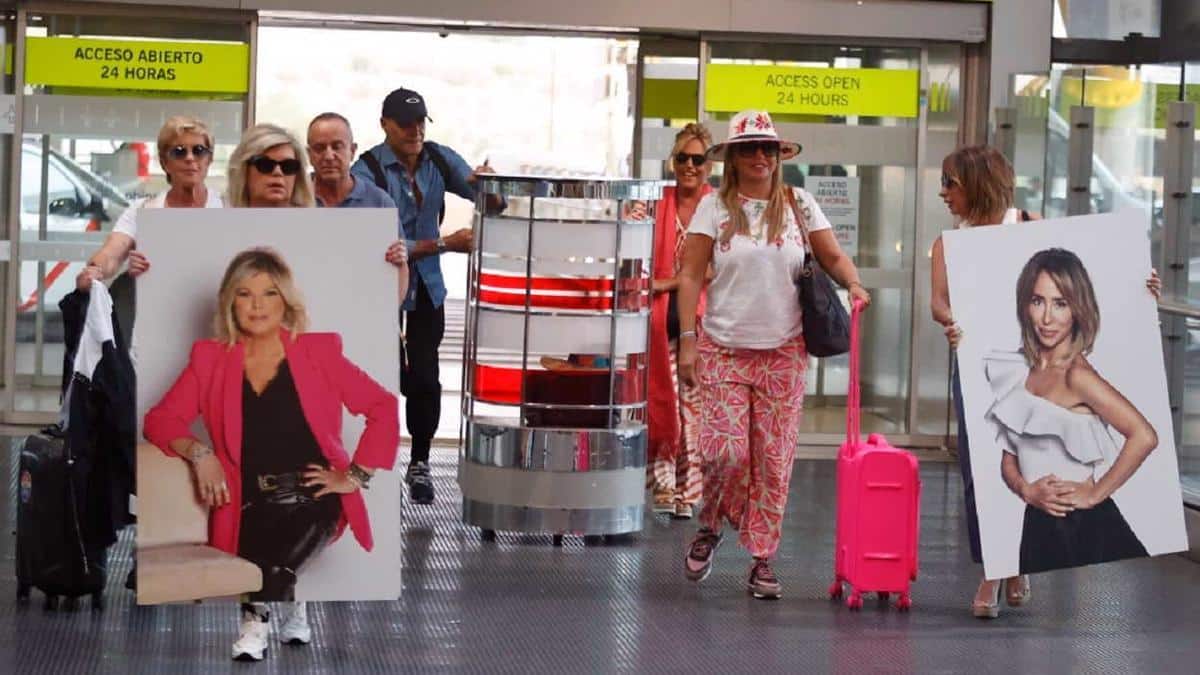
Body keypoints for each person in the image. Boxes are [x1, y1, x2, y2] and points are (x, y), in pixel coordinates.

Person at [929, 144, 1161, 619]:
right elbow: (938, 300)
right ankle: (1003, 564)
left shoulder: (1031, 226)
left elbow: (1085, 279)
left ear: (976, 183)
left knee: (1035, 461)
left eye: (950, 182)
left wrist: (1140, 286)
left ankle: (1007, 568)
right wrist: (951, 321)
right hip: (982, 366)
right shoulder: (948, 242)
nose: (943, 193)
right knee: (986, 470)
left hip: (1036, 366)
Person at [143, 247, 399, 662]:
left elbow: (383, 407)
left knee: (272, 568)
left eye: (269, 293)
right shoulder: (209, 359)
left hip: (314, 497)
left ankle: (255, 622)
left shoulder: (319, 353)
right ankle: (292, 606)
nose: (257, 305)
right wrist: (198, 451)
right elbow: (160, 419)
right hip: (246, 501)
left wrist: (354, 476)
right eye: (245, 294)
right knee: (265, 550)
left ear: (286, 302)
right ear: (230, 302)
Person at [676, 110, 870, 599]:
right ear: (734, 158)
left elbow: (831, 255)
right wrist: (687, 340)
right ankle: (713, 524)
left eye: (767, 148)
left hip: (784, 353)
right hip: (723, 350)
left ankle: (762, 558)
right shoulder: (713, 210)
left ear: (779, 155)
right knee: (725, 452)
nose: (759, 156)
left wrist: (854, 283)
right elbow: (691, 276)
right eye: (748, 148)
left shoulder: (798, 205)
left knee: (773, 460)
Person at [350, 87, 502, 505]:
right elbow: (380, 244)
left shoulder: (438, 158)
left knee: (425, 380)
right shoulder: (364, 173)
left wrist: (488, 184)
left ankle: (419, 462)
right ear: (385, 125)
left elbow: (492, 201)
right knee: (379, 378)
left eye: (420, 122)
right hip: (379, 292)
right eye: (405, 123)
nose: (415, 131)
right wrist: (443, 243)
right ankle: (372, 462)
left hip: (428, 291)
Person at [986, 248, 1154, 576]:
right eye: (1038, 301)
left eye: (1060, 303)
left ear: (1078, 309)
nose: (1047, 318)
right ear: (1025, 304)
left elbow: (1144, 435)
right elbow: (1009, 459)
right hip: (1037, 523)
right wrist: (1026, 490)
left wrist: (1094, 494)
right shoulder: (1023, 369)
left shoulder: (1077, 376)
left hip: (1083, 529)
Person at [639, 123, 714, 519]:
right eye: (682, 158)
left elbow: (720, 267)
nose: (689, 165)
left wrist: (667, 282)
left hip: (701, 323)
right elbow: (628, 245)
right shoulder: (654, 202)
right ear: (672, 161)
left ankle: (690, 490)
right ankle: (665, 485)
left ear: (710, 165)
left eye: (698, 159)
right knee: (660, 402)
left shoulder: (719, 207)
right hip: (656, 324)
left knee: (692, 408)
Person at [76, 115, 223, 290]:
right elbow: (111, 253)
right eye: (179, 151)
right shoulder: (142, 210)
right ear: (164, 163)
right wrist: (93, 271)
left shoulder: (227, 208)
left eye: (199, 150)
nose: (190, 158)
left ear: (209, 160)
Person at [307, 112, 409, 303]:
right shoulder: (292, 199)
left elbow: (399, 267)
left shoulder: (379, 203)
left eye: (337, 146)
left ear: (352, 151)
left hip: (360, 316)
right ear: (309, 155)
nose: (329, 156)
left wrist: (384, 317)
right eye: (319, 148)